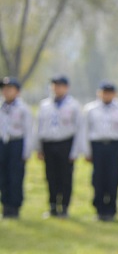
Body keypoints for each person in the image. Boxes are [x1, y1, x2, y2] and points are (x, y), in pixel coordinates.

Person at [81, 81, 118, 221]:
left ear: (115, 94)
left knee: (113, 178)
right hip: (97, 146)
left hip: (114, 146)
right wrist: (87, 151)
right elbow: (85, 131)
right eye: (104, 92)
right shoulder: (91, 109)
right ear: (99, 93)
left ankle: (111, 209)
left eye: (109, 93)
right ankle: (99, 209)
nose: (106, 95)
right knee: (98, 178)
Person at [35, 74, 82, 217]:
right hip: (49, 143)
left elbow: (79, 129)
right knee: (51, 176)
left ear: (66, 88)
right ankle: (53, 205)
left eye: (60, 86)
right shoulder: (44, 105)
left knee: (65, 177)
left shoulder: (74, 105)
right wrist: (38, 148)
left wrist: (75, 151)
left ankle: (65, 206)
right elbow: (38, 127)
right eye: (54, 85)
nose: (57, 88)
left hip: (65, 143)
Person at [0, 77, 32, 219]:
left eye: (10, 89)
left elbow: (29, 131)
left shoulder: (23, 109)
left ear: (17, 91)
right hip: (2, 144)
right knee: (3, 176)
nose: (6, 92)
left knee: (15, 177)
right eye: (4, 89)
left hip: (16, 143)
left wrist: (26, 152)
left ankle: (14, 207)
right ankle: (5, 206)